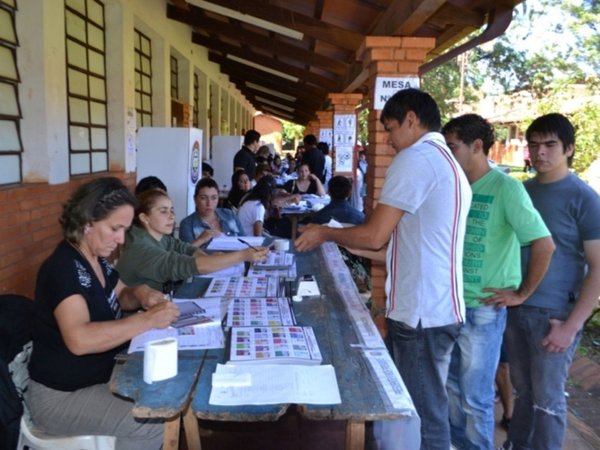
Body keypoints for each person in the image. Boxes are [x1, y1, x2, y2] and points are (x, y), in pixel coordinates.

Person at [295, 88, 472, 450]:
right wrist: (331, 238)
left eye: (390, 129)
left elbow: (375, 237)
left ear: (411, 119)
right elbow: (395, 250)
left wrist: (326, 231)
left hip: (421, 313)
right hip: (439, 307)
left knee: (426, 416)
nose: (388, 142)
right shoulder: (445, 159)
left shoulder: (417, 159)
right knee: (424, 408)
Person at [26, 177, 180, 450]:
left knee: (166, 393)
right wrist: (146, 320)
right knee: (151, 423)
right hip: (62, 396)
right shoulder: (63, 268)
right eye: (115, 229)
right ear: (87, 222)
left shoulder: (95, 260)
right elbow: (80, 339)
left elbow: (121, 294)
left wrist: (142, 293)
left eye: (125, 229)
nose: (121, 239)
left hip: (99, 377)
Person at [441, 113, 554, 450]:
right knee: (450, 391)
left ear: (477, 146)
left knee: (475, 398)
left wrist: (521, 294)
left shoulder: (507, 188)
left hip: (484, 310)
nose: (448, 154)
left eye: (453, 147)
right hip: (448, 305)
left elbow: (544, 244)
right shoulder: (453, 185)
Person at [499, 113, 600, 450]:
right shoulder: (520, 191)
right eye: (534, 144)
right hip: (516, 306)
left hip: (554, 314)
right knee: (524, 392)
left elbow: (598, 267)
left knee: (547, 400)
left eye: (550, 145)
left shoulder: (584, 198)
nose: (540, 152)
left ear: (569, 148)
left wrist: (571, 326)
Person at [117, 188, 267, 291]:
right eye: (163, 212)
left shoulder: (157, 235)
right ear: (145, 218)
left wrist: (206, 258)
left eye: (172, 211)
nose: (171, 216)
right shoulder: (139, 247)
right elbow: (184, 265)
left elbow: (185, 248)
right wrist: (242, 255)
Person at [179, 178, 244, 246]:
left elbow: (246, 241)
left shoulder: (230, 215)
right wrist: (200, 240)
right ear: (195, 199)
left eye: (214, 198)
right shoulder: (187, 224)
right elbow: (185, 252)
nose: (209, 203)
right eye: (203, 198)